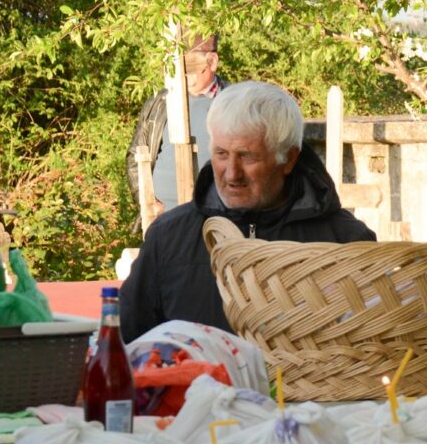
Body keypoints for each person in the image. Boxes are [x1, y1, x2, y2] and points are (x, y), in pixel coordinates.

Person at [120, 81, 375, 342]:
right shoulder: (168, 238)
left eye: (247, 157)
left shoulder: (346, 242)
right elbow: (125, 346)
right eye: (221, 154)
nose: (232, 174)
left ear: (288, 158)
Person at [126, 34, 229, 216]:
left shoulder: (235, 102)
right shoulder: (160, 103)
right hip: (163, 219)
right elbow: (136, 155)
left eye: (188, 67)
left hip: (217, 219)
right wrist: (148, 202)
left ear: (212, 62)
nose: (180, 73)